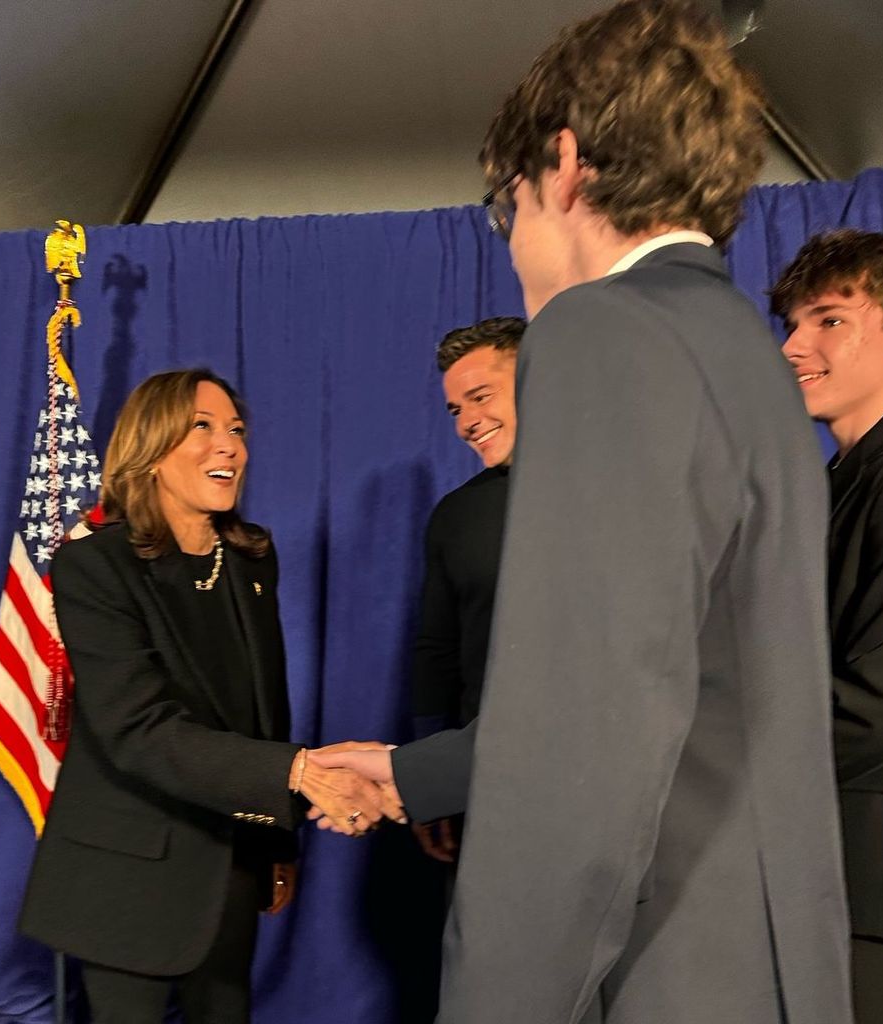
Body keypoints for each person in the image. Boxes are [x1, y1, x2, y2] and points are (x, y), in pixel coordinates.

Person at [316, 2, 853, 1021]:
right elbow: (689, 681)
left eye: (503, 208)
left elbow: (590, 730)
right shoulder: (741, 347)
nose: (513, 247)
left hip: (664, 965)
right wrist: (413, 770)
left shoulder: (601, 331)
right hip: (761, 960)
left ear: (562, 165)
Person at [19, 369, 399, 1023]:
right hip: (127, 877)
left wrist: (276, 846)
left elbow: (262, 712)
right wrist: (300, 774)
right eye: (203, 427)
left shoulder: (249, 558)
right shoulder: (95, 566)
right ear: (151, 448)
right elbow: (138, 730)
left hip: (230, 869)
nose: (229, 446)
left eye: (237, 430)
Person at [773, 229, 883, 1024]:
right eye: (793, 323)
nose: (794, 344)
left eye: (829, 320)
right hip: (848, 875)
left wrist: (728, 770)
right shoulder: (843, 477)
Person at [409, 316, 524, 864]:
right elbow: (437, 655)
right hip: (487, 788)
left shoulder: (624, 488)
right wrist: (430, 786)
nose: (467, 423)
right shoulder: (457, 517)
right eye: (456, 409)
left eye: (481, 397)